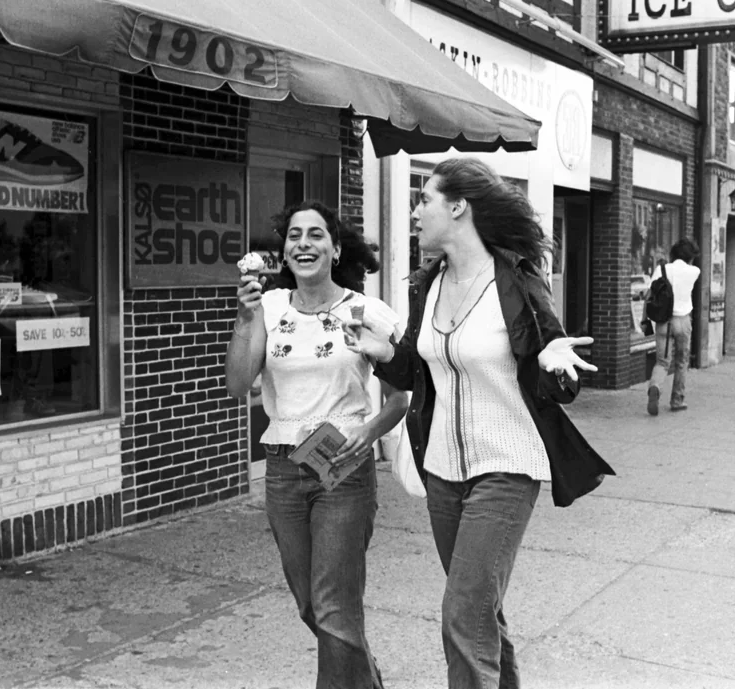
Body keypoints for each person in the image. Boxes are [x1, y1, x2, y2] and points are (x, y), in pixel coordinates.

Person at [344, 157, 613, 689]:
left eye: (425, 199)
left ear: (458, 206)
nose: (417, 211)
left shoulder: (515, 281)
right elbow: (425, 371)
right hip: (442, 470)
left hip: (507, 467)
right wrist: (384, 353)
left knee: (463, 615)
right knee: (481, 611)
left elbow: (559, 375)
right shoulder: (430, 284)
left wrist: (554, 362)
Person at [224, 201, 407, 689]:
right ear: (284, 252)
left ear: (335, 247)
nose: (304, 243)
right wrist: (244, 319)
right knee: (311, 602)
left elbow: (400, 397)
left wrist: (369, 432)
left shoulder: (366, 311)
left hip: (342, 468)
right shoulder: (268, 307)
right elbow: (239, 383)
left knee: (333, 605)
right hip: (284, 467)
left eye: (316, 235)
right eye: (294, 236)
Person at [645, 238, 701, 415]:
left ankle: (655, 386)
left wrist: (645, 318)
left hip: (664, 321)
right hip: (683, 321)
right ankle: (677, 400)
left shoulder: (661, 270)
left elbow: (650, 293)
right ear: (690, 256)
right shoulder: (694, 271)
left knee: (662, 362)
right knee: (681, 362)